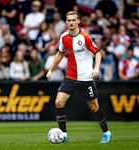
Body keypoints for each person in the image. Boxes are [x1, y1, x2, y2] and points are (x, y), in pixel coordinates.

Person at [46, 11, 112, 143]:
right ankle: (63, 135)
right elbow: (60, 53)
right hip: (70, 77)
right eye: (69, 20)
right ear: (66, 22)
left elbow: (97, 53)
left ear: (78, 21)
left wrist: (96, 68)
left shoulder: (85, 37)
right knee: (59, 102)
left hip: (86, 79)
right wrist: (50, 69)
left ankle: (106, 132)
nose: (71, 22)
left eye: (73, 20)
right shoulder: (64, 37)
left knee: (94, 107)